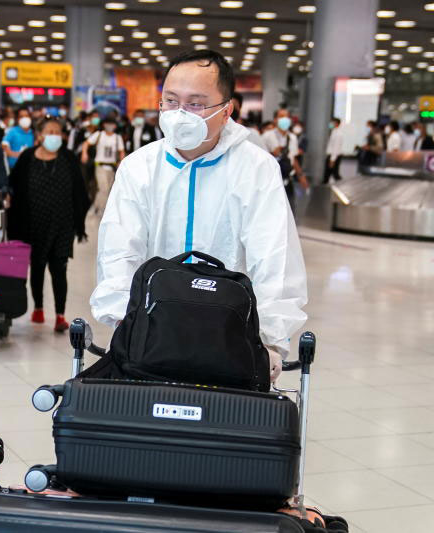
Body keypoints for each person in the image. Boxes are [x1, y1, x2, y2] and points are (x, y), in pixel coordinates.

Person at [90, 49, 307, 381]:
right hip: (151, 335)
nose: (180, 114)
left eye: (195, 103)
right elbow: (119, 250)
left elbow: (275, 257)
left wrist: (270, 340)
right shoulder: (139, 167)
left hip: (231, 338)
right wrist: (124, 322)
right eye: (171, 101)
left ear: (226, 110)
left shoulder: (255, 168)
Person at [7, 117, 90, 332]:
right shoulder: (27, 158)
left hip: (63, 224)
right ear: (40, 135)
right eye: (50, 131)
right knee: (37, 267)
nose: (55, 135)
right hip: (33, 224)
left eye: (58, 132)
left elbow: (80, 190)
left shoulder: (68, 158)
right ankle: (38, 308)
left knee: (59, 268)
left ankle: (60, 315)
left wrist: (78, 220)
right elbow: (14, 187)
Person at [262, 109, 307, 209]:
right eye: (281, 116)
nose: (284, 119)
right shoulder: (267, 136)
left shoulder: (292, 137)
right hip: (270, 178)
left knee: (289, 208)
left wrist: (301, 176)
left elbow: (293, 158)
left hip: (287, 178)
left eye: (286, 117)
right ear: (275, 120)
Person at [82, 116, 125, 216]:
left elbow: (121, 151)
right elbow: (86, 143)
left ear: (115, 126)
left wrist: (121, 163)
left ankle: (97, 206)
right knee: (103, 188)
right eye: (107, 123)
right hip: (100, 166)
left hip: (112, 167)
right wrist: (84, 153)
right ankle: (100, 210)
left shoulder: (117, 138)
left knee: (108, 189)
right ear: (103, 125)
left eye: (112, 124)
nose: (109, 126)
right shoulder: (99, 135)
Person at [323, 118, 344, 184]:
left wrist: (332, 159)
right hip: (332, 155)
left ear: (337, 123)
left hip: (334, 156)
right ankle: (324, 185)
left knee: (334, 174)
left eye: (332, 122)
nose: (331, 124)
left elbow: (336, 147)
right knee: (328, 173)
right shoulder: (334, 132)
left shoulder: (338, 134)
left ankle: (342, 185)